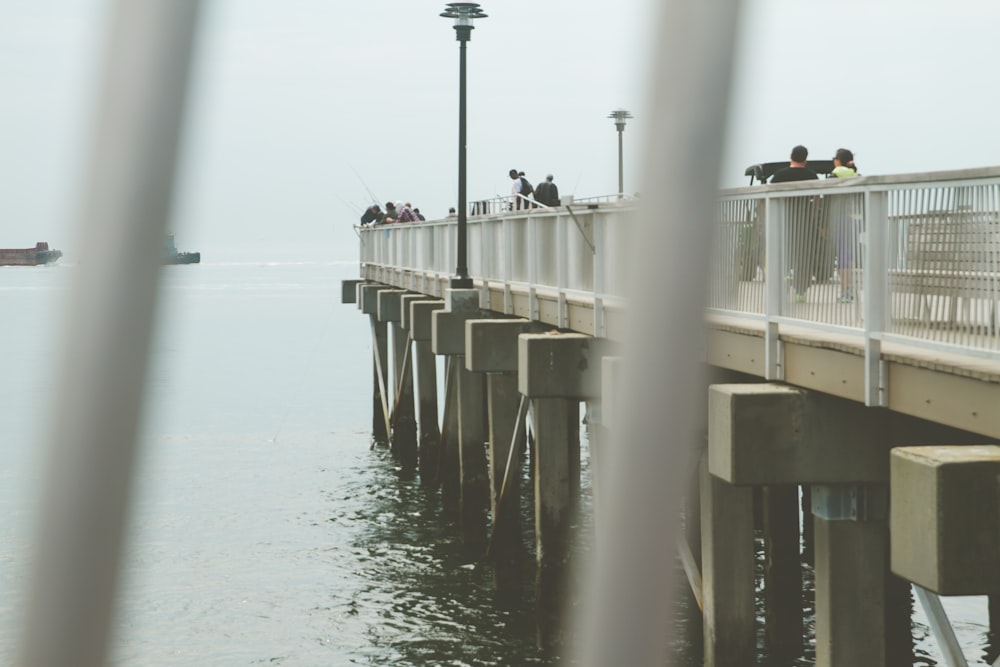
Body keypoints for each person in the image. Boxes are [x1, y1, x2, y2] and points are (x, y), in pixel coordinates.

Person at [771, 145, 820, 302]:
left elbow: (769, 196)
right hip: (805, 221)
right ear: (805, 159)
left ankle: (784, 278)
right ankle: (801, 292)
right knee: (804, 256)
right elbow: (817, 199)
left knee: (784, 251)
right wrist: (813, 216)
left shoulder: (779, 175)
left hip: (784, 219)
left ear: (790, 156)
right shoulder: (812, 176)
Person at [831, 148, 860, 302]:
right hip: (857, 220)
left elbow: (829, 200)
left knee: (842, 256)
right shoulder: (857, 175)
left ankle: (845, 291)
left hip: (841, 219)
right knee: (849, 257)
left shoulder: (835, 174)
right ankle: (849, 290)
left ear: (838, 160)